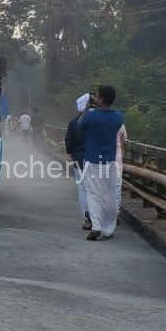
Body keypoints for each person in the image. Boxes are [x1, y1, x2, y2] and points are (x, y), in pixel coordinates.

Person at [79, 85, 124, 241]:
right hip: (110, 162)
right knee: (109, 195)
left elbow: (80, 126)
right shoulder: (118, 117)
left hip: (92, 161)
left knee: (93, 194)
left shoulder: (91, 117)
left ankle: (96, 226)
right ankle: (108, 229)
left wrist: (86, 108)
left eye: (97, 96)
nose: (95, 99)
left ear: (101, 99)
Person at [65, 93, 90, 230]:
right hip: (95, 159)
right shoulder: (94, 121)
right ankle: (97, 216)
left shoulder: (74, 122)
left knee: (83, 190)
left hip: (78, 159)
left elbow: (69, 143)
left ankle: (86, 217)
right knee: (95, 189)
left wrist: (72, 154)